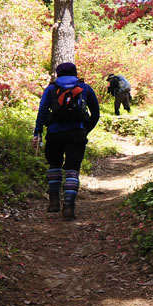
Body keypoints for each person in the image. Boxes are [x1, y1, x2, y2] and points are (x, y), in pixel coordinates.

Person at [32, 62, 100, 220]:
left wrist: (38, 132)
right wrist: (85, 129)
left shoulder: (51, 89)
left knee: (54, 165)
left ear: (57, 73)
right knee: (72, 169)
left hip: (54, 134)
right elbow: (96, 114)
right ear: (75, 73)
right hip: (77, 133)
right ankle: (68, 207)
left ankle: (54, 202)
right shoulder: (85, 88)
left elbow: (42, 112)